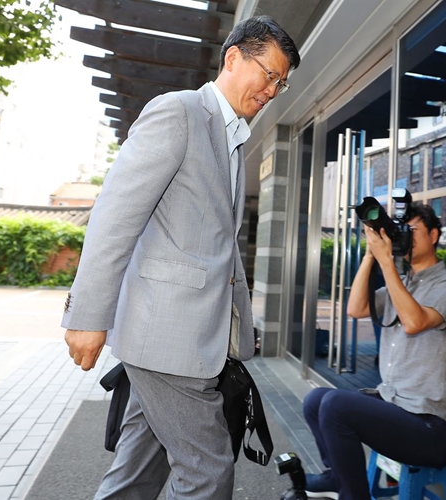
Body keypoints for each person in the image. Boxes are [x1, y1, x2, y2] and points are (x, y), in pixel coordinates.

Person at [61, 16, 300, 500]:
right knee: (207, 473)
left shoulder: (232, 138)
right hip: (168, 340)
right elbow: (115, 216)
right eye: (269, 74)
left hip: (186, 338)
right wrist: (88, 315)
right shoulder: (179, 112)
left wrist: (237, 322)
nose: (273, 90)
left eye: (282, 82)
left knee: (136, 477)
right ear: (233, 57)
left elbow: (216, 249)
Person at [303, 204, 446, 500]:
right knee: (316, 400)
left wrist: (388, 265)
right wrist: (371, 255)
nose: (403, 238)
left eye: (411, 231)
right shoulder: (401, 284)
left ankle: (353, 496)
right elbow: (356, 309)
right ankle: (337, 476)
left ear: (433, 235)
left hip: (433, 426)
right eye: (400, 232)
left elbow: (415, 322)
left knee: (336, 406)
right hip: (398, 409)